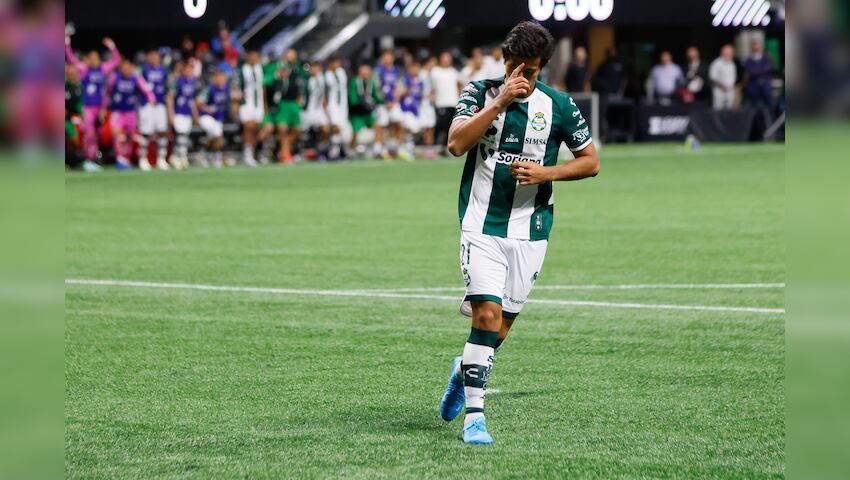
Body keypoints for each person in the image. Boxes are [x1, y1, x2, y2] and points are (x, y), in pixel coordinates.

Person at [441, 21, 600, 445]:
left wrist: (548, 172)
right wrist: (499, 104)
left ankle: (464, 370)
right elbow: (456, 144)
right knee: (486, 317)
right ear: (503, 60)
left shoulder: (560, 106)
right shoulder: (479, 92)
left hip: (530, 231)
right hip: (481, 224)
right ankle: (476, 417)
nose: (519, 78)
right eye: (513, 68)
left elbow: (591, 161)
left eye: (527, 71)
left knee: (499, 332)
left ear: (542, 67)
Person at [65, 35, 121, 165]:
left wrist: (112, 47)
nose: (94, 60)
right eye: (91, 58)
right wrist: (67, 44)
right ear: (88, 60)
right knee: (88, 132)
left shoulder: (103, 69)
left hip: (100, 108)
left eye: (96, 57)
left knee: (96, 134)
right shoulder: (84, 70)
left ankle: (92, 157)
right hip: (87, 107)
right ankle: (87, 158)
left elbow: (116, 61)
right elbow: (72, 59)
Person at [105, 59, 156, 170]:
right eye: (124, 67)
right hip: (117, 111)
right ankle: (120, 158)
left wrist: (151, 99)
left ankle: (126, 158)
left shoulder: (136, 78)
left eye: (129, 67)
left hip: (131, 112)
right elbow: (107, 92)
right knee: (117, 134)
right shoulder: (114, 78)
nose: (126, 70)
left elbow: (146, 90)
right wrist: (104, 106)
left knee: (129, 136)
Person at [261, 51, 304, 164]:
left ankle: (280, 151)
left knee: (297, 130)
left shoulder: (297, 69)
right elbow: (266, 82)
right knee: (282, 129)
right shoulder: (276, 67)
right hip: (281, 104)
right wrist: (277, 75)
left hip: (293, 104)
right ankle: (285, 155)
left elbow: (301, 83)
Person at [139, 48, 171, 170]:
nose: (154, 58)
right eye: (151, 55)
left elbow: (167, 85)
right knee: (146, 132)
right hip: (147, 104)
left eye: (156, 55)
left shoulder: (164, 70)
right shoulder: (143, 69)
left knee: (162, 131)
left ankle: (161, 159)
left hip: (160, 104)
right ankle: (143, 159)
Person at [197, 69, 234, 168]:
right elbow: (198, 102)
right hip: (205, 116)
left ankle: (204, 153)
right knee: (217, 133)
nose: (221, 80)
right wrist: (207, 108)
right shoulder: (209, 88)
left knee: (214, 136)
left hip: (218, 118)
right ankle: (217, 157)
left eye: (223, 78)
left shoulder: (226, 89)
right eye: (219, 77)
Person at [167, 60, 199, 169]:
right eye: (187, 68)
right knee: (180, 135)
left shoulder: (193, 82)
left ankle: (178, 157)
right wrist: (171, 114)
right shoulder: (177, 81)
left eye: (191, 69)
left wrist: (195, 114)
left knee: (184, 136)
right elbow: (170, 98)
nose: (189, 71)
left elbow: (192, 100)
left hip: (187, 112)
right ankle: (180, 157)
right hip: (178, 112)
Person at [235, 50, 265, 166]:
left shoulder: (259, 69)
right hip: (246, 103)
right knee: (248, 126)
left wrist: (265, 104)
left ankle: (253, 152)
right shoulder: (242, 70)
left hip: (258, 104)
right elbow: (236, 86)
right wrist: (236, 102)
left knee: (256, 128)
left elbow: (262, 87)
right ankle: (247, 153)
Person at [347, 63, 384, 153]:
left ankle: (377, 150)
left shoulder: (372, 83)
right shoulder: (355, 82)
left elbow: (378, 98)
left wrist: (382, 100)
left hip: (367, 113)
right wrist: (362, 103)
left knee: (378, 128)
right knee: (356, 133)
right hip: (357, 113)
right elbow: (352, 99)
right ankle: (350, 150)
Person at [374, 50, 403, 157]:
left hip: (394, 103)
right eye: (385, 57)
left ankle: (399, 148)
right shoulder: (378, 71)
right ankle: (378, 149)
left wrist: (394, 100)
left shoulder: (397, 71)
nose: (387, 59)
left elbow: (400, 87)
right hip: (382, 104)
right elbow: (376, 88)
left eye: (389, 57)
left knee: (399, 123)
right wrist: (384, 101)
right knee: (380, 125)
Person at [430, 51, 462, 149]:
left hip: (453, 103)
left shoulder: (453, 71)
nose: (446, 61)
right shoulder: (435, 71)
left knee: (451, 127)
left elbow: (460, 83)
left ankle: (449, 146)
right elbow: (432, 86)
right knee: (441, 126)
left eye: (448, 58)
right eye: (444, 58)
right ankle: (439, 145)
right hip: (441, 103)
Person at [302, 62, 331, 159]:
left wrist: (327, 112)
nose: (314, 70)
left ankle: (320, 150)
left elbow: (323, 96)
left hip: (318, 111)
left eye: (316, 68)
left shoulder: (322, 79)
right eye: (313, 68)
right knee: (300, 131)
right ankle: (299, 151)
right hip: (307, 111)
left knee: (326, 129)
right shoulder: (306, 80)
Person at [324, 56, 351, 159]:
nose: (336, 64)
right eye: (334, 62)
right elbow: (325, 91)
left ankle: (342, 150)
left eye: (338, 62)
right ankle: (334, 152)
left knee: (345, 131)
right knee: (335, 127)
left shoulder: (342, 72)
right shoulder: (327, 74)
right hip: (333, 105)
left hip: (343, 105)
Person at [399, 61, 425, 160]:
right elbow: (400, 94)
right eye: (415, 68)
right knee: (411, 129)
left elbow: (420, 95)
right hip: (406, 109)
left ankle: (408, 149)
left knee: (416, 131)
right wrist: (409, 87)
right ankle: (406, 150)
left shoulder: (420, 81)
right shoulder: (405, 79)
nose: (416, 71)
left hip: (416, 110)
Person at [743, 40, 774, 110]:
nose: (756, 48)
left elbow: (769, 68)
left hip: (765, 86)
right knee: (754, 107)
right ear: (752, 48)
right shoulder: (749, 60)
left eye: (758, 46)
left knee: (769, 106)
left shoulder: (767, 57)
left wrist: (755, 71)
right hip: (753, 87)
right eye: (755, 46)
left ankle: (770, 119)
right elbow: (748, 72)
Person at [709, 44, 738, 110]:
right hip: (719, 91)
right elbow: (712, 77)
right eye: (727, 53)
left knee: (729, 110)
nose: (729, 55)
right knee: (718, 110)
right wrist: (722, 85)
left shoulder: (732, 64)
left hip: (730, 91)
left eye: (731, 53)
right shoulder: (716, 63)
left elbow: (733, 77)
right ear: (722, 53)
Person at [419, 56, 438, 147]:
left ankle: (429, 146)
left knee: (431, 126)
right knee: (426, 126)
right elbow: (418, 89)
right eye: (433, 63)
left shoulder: (430, 74)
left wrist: (433, 94)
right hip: (423, 104)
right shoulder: (421, 74)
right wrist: (427, 96)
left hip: (430, 104)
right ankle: (426, 146)